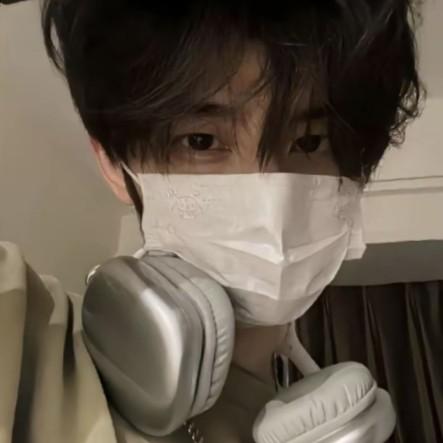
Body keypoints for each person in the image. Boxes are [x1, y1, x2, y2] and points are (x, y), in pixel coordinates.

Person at [0, 1, 422, 442]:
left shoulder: (308, 424)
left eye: (309, 141)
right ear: (113, 163)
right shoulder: (35, 355)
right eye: (201, 141)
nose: (270, 202)